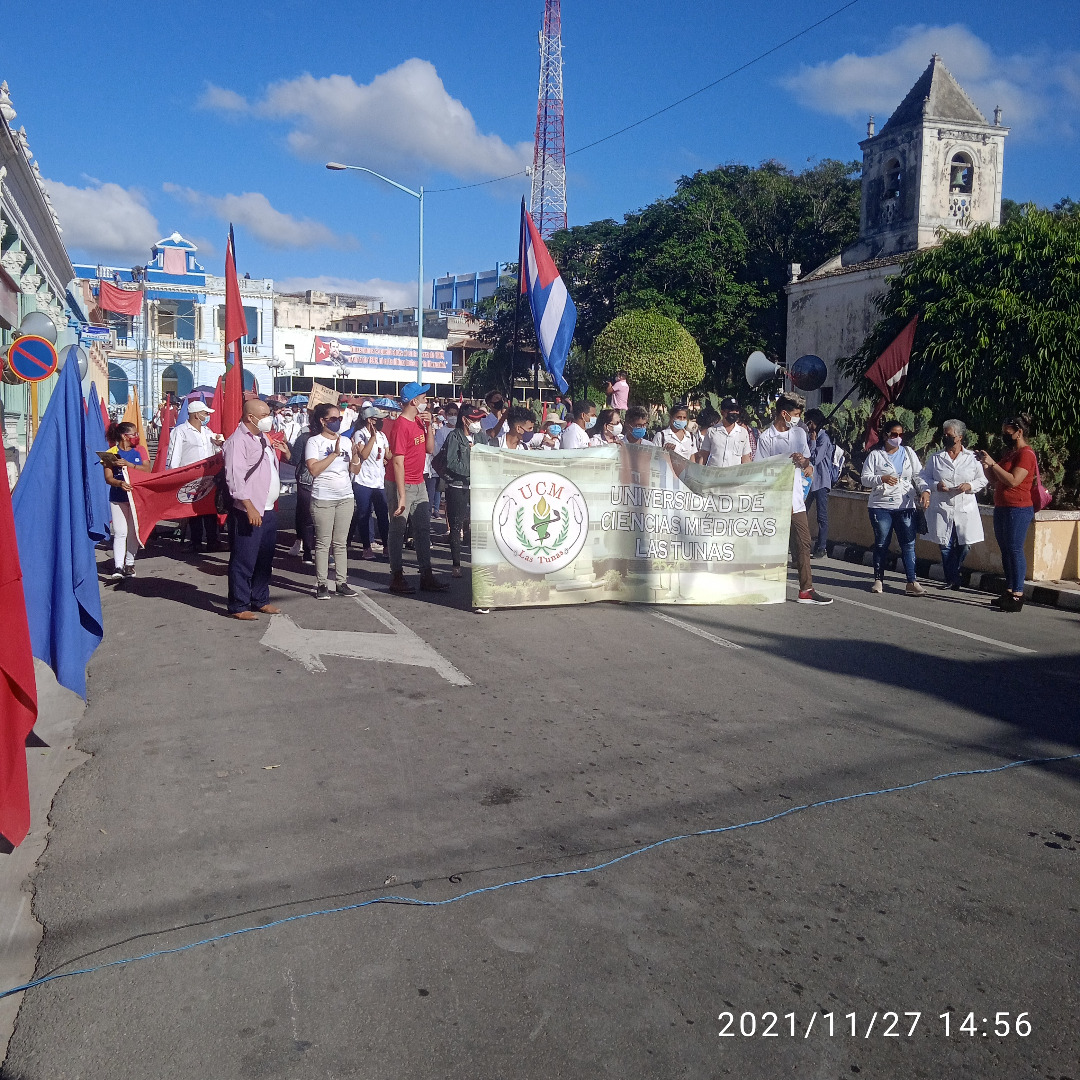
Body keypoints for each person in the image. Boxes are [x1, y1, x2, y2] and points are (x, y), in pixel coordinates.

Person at [754, 392, 832, 605]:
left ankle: (806, 589)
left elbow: (808, 463)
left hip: (796, 499)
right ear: (784, 413)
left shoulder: (798, 434)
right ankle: (761, 586)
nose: (798, 418)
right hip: (774, 500)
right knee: (769, 545)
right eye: (795, 414)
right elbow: (759, 468)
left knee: (803, 543)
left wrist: (804, 462)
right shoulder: (766, 438)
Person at [223, 399, 282, 620]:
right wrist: (249, 507)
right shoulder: (238, 441)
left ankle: (260, 599)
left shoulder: (262, 437)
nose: (270, 417)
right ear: (250, 417)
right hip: (249, 510)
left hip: (268, 509)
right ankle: (239, 604)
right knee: (244, 559)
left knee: (264, 558)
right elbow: (234, 478)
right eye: (265, 414)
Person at [387, 382, 447, 594]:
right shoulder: (401, 425)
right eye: (423, 398)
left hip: (418, 481)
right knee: (398, 530)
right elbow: (397, 462)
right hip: (400, 482)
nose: (426, 402)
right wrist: (402, 496)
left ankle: (426, 574)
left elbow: (429, 449)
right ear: (414, 401)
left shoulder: (419, 423)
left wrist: (429, 426)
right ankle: (396, 576)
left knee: (422, 529)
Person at [860, 418, 930, 596]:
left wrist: (925, 490)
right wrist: (881, 479)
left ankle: (912, 581)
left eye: (900, 435)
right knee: (882, 542)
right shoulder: (875, 455)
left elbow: (918, 475)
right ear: (885, 436)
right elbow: (865, 478)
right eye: (893, 435)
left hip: (905, 504)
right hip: (881, 505)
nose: (897, 438)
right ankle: (878, 580)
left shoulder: (908, 453)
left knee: (908, 543)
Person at [976, 414, 1038, 612]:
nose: (1004, 436)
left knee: (1014, 549)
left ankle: (1018, 594)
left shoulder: (1026, 454)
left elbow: (1013, 480)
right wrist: (986, 464)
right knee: (1006, 549)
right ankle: (1009, 589)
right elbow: (996, 480)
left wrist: (994, 463)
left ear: (1019, 432)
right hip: (1002, 506)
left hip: (1018, 508)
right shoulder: (1010, 454)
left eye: (1007, 432)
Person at [920, 419, 988, 590]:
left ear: (959, 437)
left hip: (965, 508)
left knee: (965, 544)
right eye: (944, 434)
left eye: (949, 434)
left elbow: (983, 479)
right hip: (942, 506)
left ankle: (954, 570)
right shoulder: (935, 458)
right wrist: (936, 486)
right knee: (945, 544)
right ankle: (952, 579)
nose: (945, 437)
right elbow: (924, 477)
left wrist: (969, 486)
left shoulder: (972, 458)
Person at [306, 403, 359, 599]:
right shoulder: (314, 442)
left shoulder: (345, 440)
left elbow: (354, 471)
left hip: (345, 496)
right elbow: (314, 470)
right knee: (323, 542)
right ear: (322, 421)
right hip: (323, 497)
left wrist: (354, 456)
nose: (337, 422)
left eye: (339, 419)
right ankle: (321, 583)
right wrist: (334, 454)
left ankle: (341, 582)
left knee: (341, 542)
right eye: (333, 419)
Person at [167, 400, 223, 553]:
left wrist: (218, 445)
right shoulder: (180, 431)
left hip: (209, 477)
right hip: (191, 478)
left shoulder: (208, 432)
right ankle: (196, 541)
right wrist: (175, 476)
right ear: (197, 415)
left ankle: (213, 540)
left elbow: (215, 453)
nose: (207, 416)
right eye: (205, 413)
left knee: (210, 509)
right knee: (194, 511)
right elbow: (174, 456)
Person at [103, 422, 151, 582]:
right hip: (118, 497)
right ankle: (118, 566)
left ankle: (130, 564)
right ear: (125, 436)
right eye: (134, 434)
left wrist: (129, 465)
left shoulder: (140, 450)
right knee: (120, 532)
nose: (137, 437)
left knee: (133, 532)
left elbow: (147, 469)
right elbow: (108, 478)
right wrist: (119, 483)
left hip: (136, 497)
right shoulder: (111, 453)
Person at [443, 406, 483, 578]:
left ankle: (479, 563)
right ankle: (456, 563)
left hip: (476, 486)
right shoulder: (454, 436)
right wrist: (471, 470)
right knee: (456, 525)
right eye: (474, 419)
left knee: (479, 526)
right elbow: (451, 463)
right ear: (465, 420)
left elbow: (487, 455)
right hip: (457, 486)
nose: (477, 423)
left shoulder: (481, 436)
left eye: (479, 419)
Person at [351, 404, 391, 561]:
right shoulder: (359, 435)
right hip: (363, 480)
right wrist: (372, 438)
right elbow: (364, 455)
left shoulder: (382, 435)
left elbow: (388, 455)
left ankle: (387, 545)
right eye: (377, 419)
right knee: (364, 513)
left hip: (379, 481)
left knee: (382, 514)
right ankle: (366, 547)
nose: (380, 422)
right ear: (369, 420)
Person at [803, 409, 836, 559]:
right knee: (802, 511)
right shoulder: (809, 437)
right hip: (809, 481)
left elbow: (815, 458)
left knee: (821, 516)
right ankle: (801, 543)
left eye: (809, 422)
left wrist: (813, 440)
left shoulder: (823, 439)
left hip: (821, 481)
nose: (807, 425)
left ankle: (821, 547)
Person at [288, 414, 316, 564]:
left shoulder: (335, 439)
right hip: (306, 481)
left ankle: (321, 550)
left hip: (326, 483)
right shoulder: (304, 437)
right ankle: (307, 550)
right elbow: (294, 459)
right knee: (306, 516)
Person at [697, 397, 751, 467]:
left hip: (733, 476)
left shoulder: (743, 433)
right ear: (722, 412)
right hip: (714, 475)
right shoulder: (712, 431)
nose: (734, 413)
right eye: (731, 410)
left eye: (737, 410)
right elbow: (703, 456)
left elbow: (745, 458)